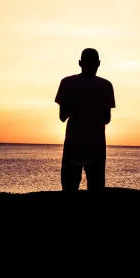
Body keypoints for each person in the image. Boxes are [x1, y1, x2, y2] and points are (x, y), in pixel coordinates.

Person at [55, 48, 115, 192]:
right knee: (95, 194)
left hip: (72, 148)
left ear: (80, 63)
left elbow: (62, 117)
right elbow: (106, 119)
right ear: (98, 64)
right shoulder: (106, 86)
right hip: (96, 150)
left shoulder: (67, 83)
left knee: (69, 193)